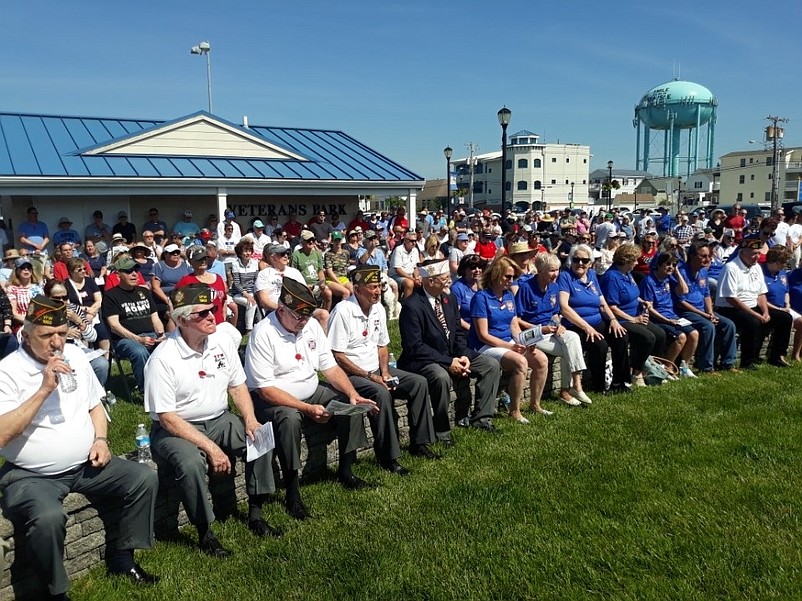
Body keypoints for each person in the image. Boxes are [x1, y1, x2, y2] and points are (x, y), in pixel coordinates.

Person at [0, 296, 159, 599]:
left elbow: (94, 405)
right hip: (31, 474)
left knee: (143, 478)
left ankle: (123, 557)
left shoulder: (74, 355)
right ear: (25, 334)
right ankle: (55, 591)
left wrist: (101, 439)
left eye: (61, 332)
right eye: (46, 335)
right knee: (48, 518)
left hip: (86, 464)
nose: (56, 341)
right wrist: (43, 389)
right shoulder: (7, 372)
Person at [144, 285, 280, 558]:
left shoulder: (220, 342)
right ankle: (205, 532)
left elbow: (238, 385)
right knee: (192, 463)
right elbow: (168, 418)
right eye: (202, 314)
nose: (212, 317)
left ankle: (256, 512)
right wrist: (211, 448)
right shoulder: (163, 358)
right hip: (178, 429)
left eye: (213, 310)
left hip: (219, 418)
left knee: (261, 438)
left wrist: (251, 420)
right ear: (182, 321)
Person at [245, 278, 378, 521]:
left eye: (306, 316)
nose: (303, 322)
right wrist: (306, 408)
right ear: (281, 310)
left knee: (350, 404)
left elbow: (330, 368)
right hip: (274, 399)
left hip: (311, 389)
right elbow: (265, 390)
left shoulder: (311, 326)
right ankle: (292, 492)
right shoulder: (263, 333)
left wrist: (352, 393)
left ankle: (346, 469)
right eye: (298, 317)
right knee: (290, 419)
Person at [328, 265, 437, 471]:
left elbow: (382, 345)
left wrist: (385, 372)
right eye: (372, 287)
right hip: (351, 374)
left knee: (418, 383)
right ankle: (388, 457)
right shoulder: (342, 311)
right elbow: (338, 356)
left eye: (379, 286)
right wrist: (370, 375)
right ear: (358, 289)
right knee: (381, 394)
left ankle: (420, 442)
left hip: (375, 370)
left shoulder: (378, 308)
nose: (378, 291)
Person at [398, 258, 500, 435]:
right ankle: (441, 430)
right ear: (430, 281)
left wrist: (463, 356)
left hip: (451, 353)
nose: (449, 282)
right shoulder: (412, 306)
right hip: (424, 359)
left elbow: (457, 332)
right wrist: (448, 362)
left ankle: (482, 418)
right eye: (445, 278)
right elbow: (415, 347)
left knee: (491, 365)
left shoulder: (449, 299)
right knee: (441, 377)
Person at [468, 256, 549, 420]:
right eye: (508, 277)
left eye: (513, 277)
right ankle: (515, 410)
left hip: (506, 342)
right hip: (485, 346)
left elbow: (513, 326)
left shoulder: (508, 296)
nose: (511, 281)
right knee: (521, 362)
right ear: (496, 275)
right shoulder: (481, 297)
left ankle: (535, 404)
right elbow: (483, 335)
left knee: (541, 359)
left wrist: (525, 342)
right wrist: (510, 347)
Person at [516, 253, 593, 406]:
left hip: (550, 329)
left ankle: (575, 386)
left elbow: (555, 313)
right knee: (567, 349)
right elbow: (517, 319)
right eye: (551, 270)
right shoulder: (526, 288)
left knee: (572, 337)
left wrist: (559, 323)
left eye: (557, 270)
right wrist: (540, 328)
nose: (555, 274)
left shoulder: (554, 287)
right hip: (530, 333)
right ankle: (566, 391)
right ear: (540, 270)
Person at [558, 244, 631, 393]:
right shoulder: (565, 277)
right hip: (577, 325)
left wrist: (613, 320)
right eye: (576, 259)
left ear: (590, 263)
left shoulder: (591, 275)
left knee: (621, 336)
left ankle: (619, 382)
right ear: (571, 260)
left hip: (597, 321)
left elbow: (602, 303)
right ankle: (598, 387)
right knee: (600, 345)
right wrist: (587, 327)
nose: (580, 263)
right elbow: (564, 308)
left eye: (584, 260)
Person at [715, 238, 792, 368]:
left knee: (785, 318)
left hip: (752, 306)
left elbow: (761, 293)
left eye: (758, 253)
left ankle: (777, 356)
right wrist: (756, 315)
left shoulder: (756, 267)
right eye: (753, 253)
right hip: (730, 309)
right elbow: (732, 299)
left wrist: (766, 312)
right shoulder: (731, 268)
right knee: (752, 321)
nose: (757, 257)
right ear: (742, 253)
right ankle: (747, 360)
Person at [600, 243, 667, 386]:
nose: (637, 263)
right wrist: (634, 319)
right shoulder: (612, 278)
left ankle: (647, 366)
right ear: (625, 260)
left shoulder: (628, 274)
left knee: (660, 334)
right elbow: (612, 306)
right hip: (622, 319)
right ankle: (637, 374)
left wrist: (643, 301)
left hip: (636, 315)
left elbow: (632, 294)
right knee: (648, 338)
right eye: (634, 260)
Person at [102, 257, 166, 390]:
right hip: (124, 339)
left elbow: (155, 317)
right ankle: (147, 390)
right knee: (139, 352)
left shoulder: (144, 292)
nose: (134, 274)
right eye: (128, 271)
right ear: (118, 274)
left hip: (150, 335)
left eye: (136, 270)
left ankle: (168, 385)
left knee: (171, 345)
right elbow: (114, 326)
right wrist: (139, 339)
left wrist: (161, 335)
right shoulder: (110, 296)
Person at [673, 243, 738, 373]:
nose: (707, 259)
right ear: (692, 256)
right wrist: (705, 316)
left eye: (709, 256)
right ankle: (706, 367)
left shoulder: (703, 271)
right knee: (708, 326)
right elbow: (681, 302)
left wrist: (710, 312)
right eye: (703, 256)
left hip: (703, 311)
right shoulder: (681, 273)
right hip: (685, 312)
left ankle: (728, 363)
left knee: (729, 325)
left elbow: (707, 295)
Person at [639, 252, 699, 377]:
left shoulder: (669, 278)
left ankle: (684, 367)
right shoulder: (649, 281)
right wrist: (667, 321)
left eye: (674, 264)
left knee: (694, 334)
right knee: (681, 337)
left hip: (673, 315)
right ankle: (668, 368)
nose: (671, 267)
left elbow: (684, 291)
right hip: (658, 318)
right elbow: (649, 308)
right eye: (668, 264)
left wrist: (677, 273)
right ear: (659, 264)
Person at [45, 280, 108, 386]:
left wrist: (78, 320)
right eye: (56, 298)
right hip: (51, 352)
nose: (61, 301)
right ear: (47, 297)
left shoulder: (73, 309)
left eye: (64, 298)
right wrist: (63, 333)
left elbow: (93, 337)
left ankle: (95, 396)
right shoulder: (40, 312)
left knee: (101, 363)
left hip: (77, 348)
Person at [761, 245, 802, 361]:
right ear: (776, 261)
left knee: (801, 322)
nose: (786, 265)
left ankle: (796, 354)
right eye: (784, 262)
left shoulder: (782, 273)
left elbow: (786, 291)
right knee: (785, 318)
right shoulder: (761, 273)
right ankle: (779, 355)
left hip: (783, 307)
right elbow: (760, 298)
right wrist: (779, 309)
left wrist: (787, 303)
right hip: (767, 307)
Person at [292, 230, 332, 310]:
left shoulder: (317, 254)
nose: (311, 242)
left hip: (317, 284)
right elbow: (293, 273)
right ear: (302, 242)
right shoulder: (296, 255)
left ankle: (325, 313)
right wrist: (304, 286)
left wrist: (322, 282)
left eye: (313, 240)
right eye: (308, 240)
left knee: (328, 293)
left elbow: (320, 271)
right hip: (303, 285)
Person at [228, 239, 260, 333]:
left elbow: (256, 280)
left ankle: (258, 325)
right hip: (238, 294)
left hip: (252, 292)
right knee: (251, 304)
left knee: (258, 302)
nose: (248, 253)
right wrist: (248, 296)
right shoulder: (235, 264)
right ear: (240, 252)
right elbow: (237, 283)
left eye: (249, 251)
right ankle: (249, 329)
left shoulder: (255, 263)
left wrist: (254, 294)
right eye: (245, 251)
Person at [8, 256, 44, 332]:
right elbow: (14, 313)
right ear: (17, 271)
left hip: (40, 322)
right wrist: (30, 323)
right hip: (22, 324)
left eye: (28, 267)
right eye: (22, 267)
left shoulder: (39, 287)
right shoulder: (12, 289)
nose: (26, 269)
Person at [388, 230, 421, 301]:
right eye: (411, 241)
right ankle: (407, 305)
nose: (414, 243)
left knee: (424, 281)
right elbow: (398, 270)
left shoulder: (415, 250)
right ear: (405, 240)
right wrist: (413, 279)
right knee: (409, 283)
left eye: (415, 241)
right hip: (397, 276)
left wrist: (417, 278)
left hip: (410, 275)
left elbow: (415, 267)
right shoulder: (398, 250)